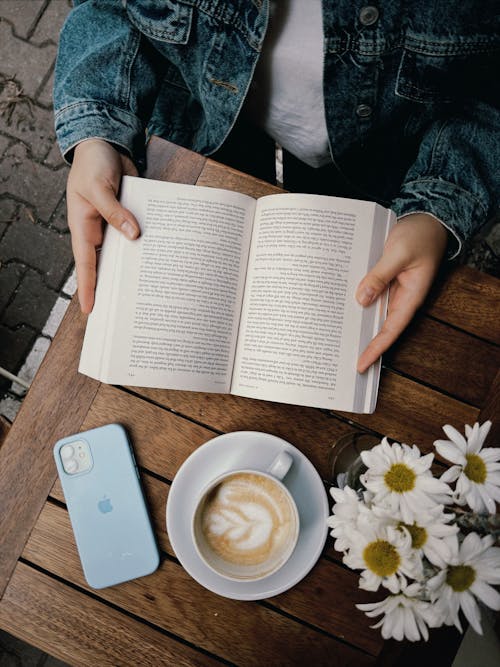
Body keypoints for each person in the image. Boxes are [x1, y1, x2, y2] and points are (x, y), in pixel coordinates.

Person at [54, 0, 499, 373]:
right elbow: (107, 6)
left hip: (387, 154)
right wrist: (97, 131)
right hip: (202, 119)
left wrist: (437, 207)